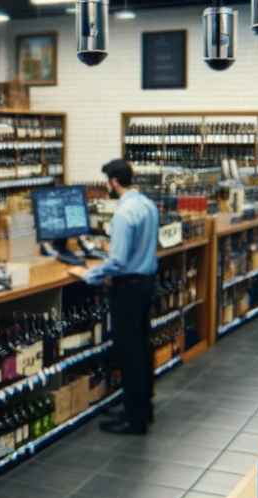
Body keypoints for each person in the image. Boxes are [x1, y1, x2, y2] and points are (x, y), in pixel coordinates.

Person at [80, 159, 160, 435]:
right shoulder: (147, 204)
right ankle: (143, 408)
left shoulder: (124, 214)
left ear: (113, 181)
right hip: (146, 281)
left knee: (129, 353)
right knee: (141, 346)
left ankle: (135, 419)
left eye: (107, 181)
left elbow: (117, 261)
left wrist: (87, 275)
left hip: (128, 287)